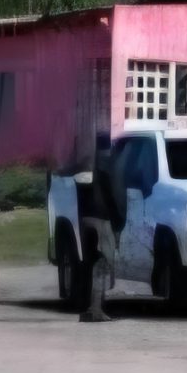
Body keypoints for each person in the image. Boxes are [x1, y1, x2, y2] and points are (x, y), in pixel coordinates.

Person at [75, 139, 123, 324]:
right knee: (101, 264)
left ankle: (87, 308)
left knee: (87, 264)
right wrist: (118, 224)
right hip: (101, 220)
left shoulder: (78, 176)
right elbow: (110, 201)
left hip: (83, 221)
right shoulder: (102, 175)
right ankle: (96, 309)